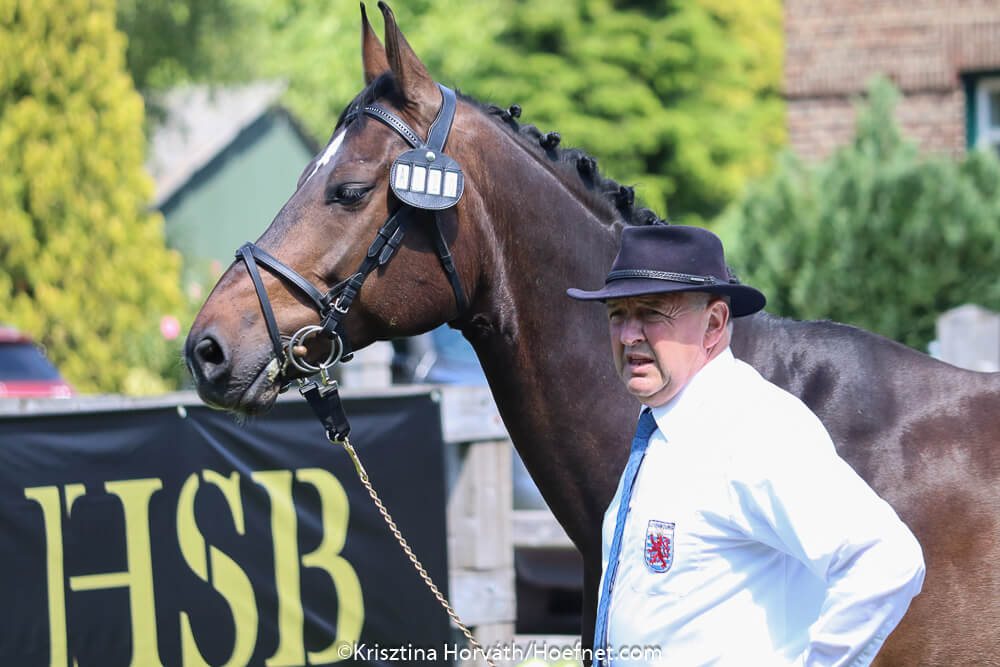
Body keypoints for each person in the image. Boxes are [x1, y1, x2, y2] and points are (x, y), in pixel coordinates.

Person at [566, 225, 925, 666]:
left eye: (652, 313)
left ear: (714, 324)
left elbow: (887, 559)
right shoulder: (664, 425)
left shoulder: (755, 428)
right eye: (617, 314)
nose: (627, 335)